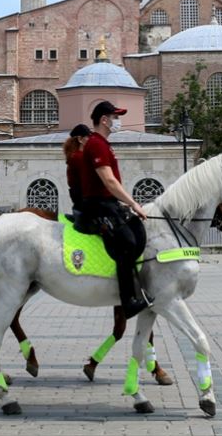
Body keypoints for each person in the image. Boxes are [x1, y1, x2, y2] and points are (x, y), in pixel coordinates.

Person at [75, 101, 151, 318]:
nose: (118, 121)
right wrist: (133, 203)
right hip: (98, 205)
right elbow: (109, 181)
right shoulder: (97, 144)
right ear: (104, 120)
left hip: (108, 204)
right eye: (115, 117)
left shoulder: (104, 144)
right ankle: (128, 302)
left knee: (135, 231)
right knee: (126, 242)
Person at [63, 123, 92, 218]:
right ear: (80, 139)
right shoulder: (79, 158)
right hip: (85, 203)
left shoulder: (75, 156)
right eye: (88, 137)